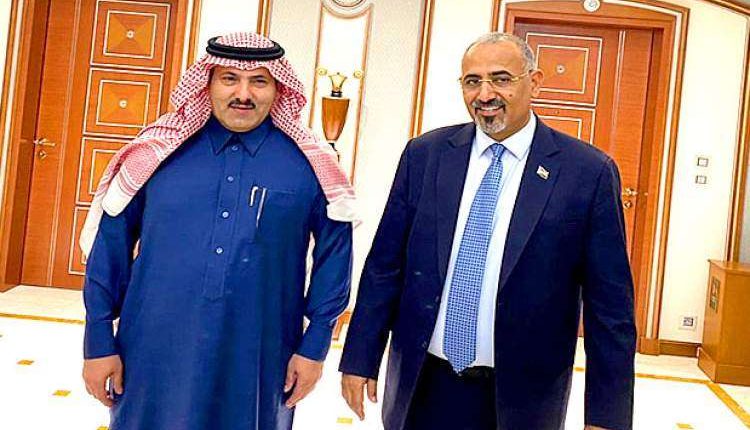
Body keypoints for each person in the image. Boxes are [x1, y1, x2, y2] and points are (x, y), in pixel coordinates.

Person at [340, 32, 635, 430]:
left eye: (501, 79)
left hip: (521, 401)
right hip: (421, 385)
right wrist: (360, 357)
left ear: (535, 82)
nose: (485, 94)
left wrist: (606, 417)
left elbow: (610, 309)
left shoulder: (587, 173)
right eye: (472, 81)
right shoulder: (425, 155)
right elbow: (385, 266)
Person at [80, 32, 355, 430]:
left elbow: (335, 256)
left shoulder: (310, 164)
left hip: (262, 356)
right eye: (229, 79)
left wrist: (315, 346)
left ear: (278, 89)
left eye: (259, 81)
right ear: (207, 83)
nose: (243, 94)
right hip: (151, 350)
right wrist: (98, 340)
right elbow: (110, 248)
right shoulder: (156, 155)